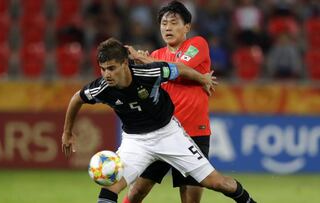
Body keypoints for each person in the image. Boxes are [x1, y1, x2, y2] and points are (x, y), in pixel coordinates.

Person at [61, 38, 256, 203]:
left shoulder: (150, 73)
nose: (106, 74)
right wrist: (67, 132)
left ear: (125, 64)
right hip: (135, 141)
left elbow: (179, 69)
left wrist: (202, 78)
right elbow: (77, 98)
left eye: (111, 68)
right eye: (103, 69)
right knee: (113, 186)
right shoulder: (102, 87)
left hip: (168, 134)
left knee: (217, 182)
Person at [123, 1, 214, 203]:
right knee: (137, 190)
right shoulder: (156, 55)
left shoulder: (197, 44)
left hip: (193, 132)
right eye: (164, 23)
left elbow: (179, 68)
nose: (167, 28)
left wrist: (145, 61)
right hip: (162, 132)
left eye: (173, 23)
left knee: (190, 199)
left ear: (187, 27)